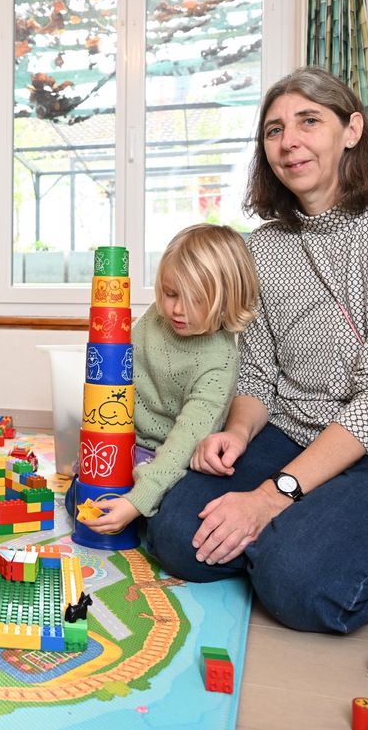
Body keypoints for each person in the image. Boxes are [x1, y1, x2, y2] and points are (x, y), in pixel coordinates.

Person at [145, 66, 368, 634]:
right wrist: (238, 434)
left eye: (308, 121)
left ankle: (317, 540)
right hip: (292, 434)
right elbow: (258, 375)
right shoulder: (262, 249)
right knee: (175, 535)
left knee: (297, 583)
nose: (288, 141)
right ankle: (306, 531)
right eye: (274, 130)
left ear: (351, 130)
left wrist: (273, 498)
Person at [76, 224, 258, 537]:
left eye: (195, 300)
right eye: (170, 293)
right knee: (79, 504)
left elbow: (186, 440)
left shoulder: (220, 361)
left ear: (227, 297)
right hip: (125, 443)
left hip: (169, 456)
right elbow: (114, 374)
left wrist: (138, 500)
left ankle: (141, 508)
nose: (176, 309)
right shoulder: (155, 319)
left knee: (154, 518)